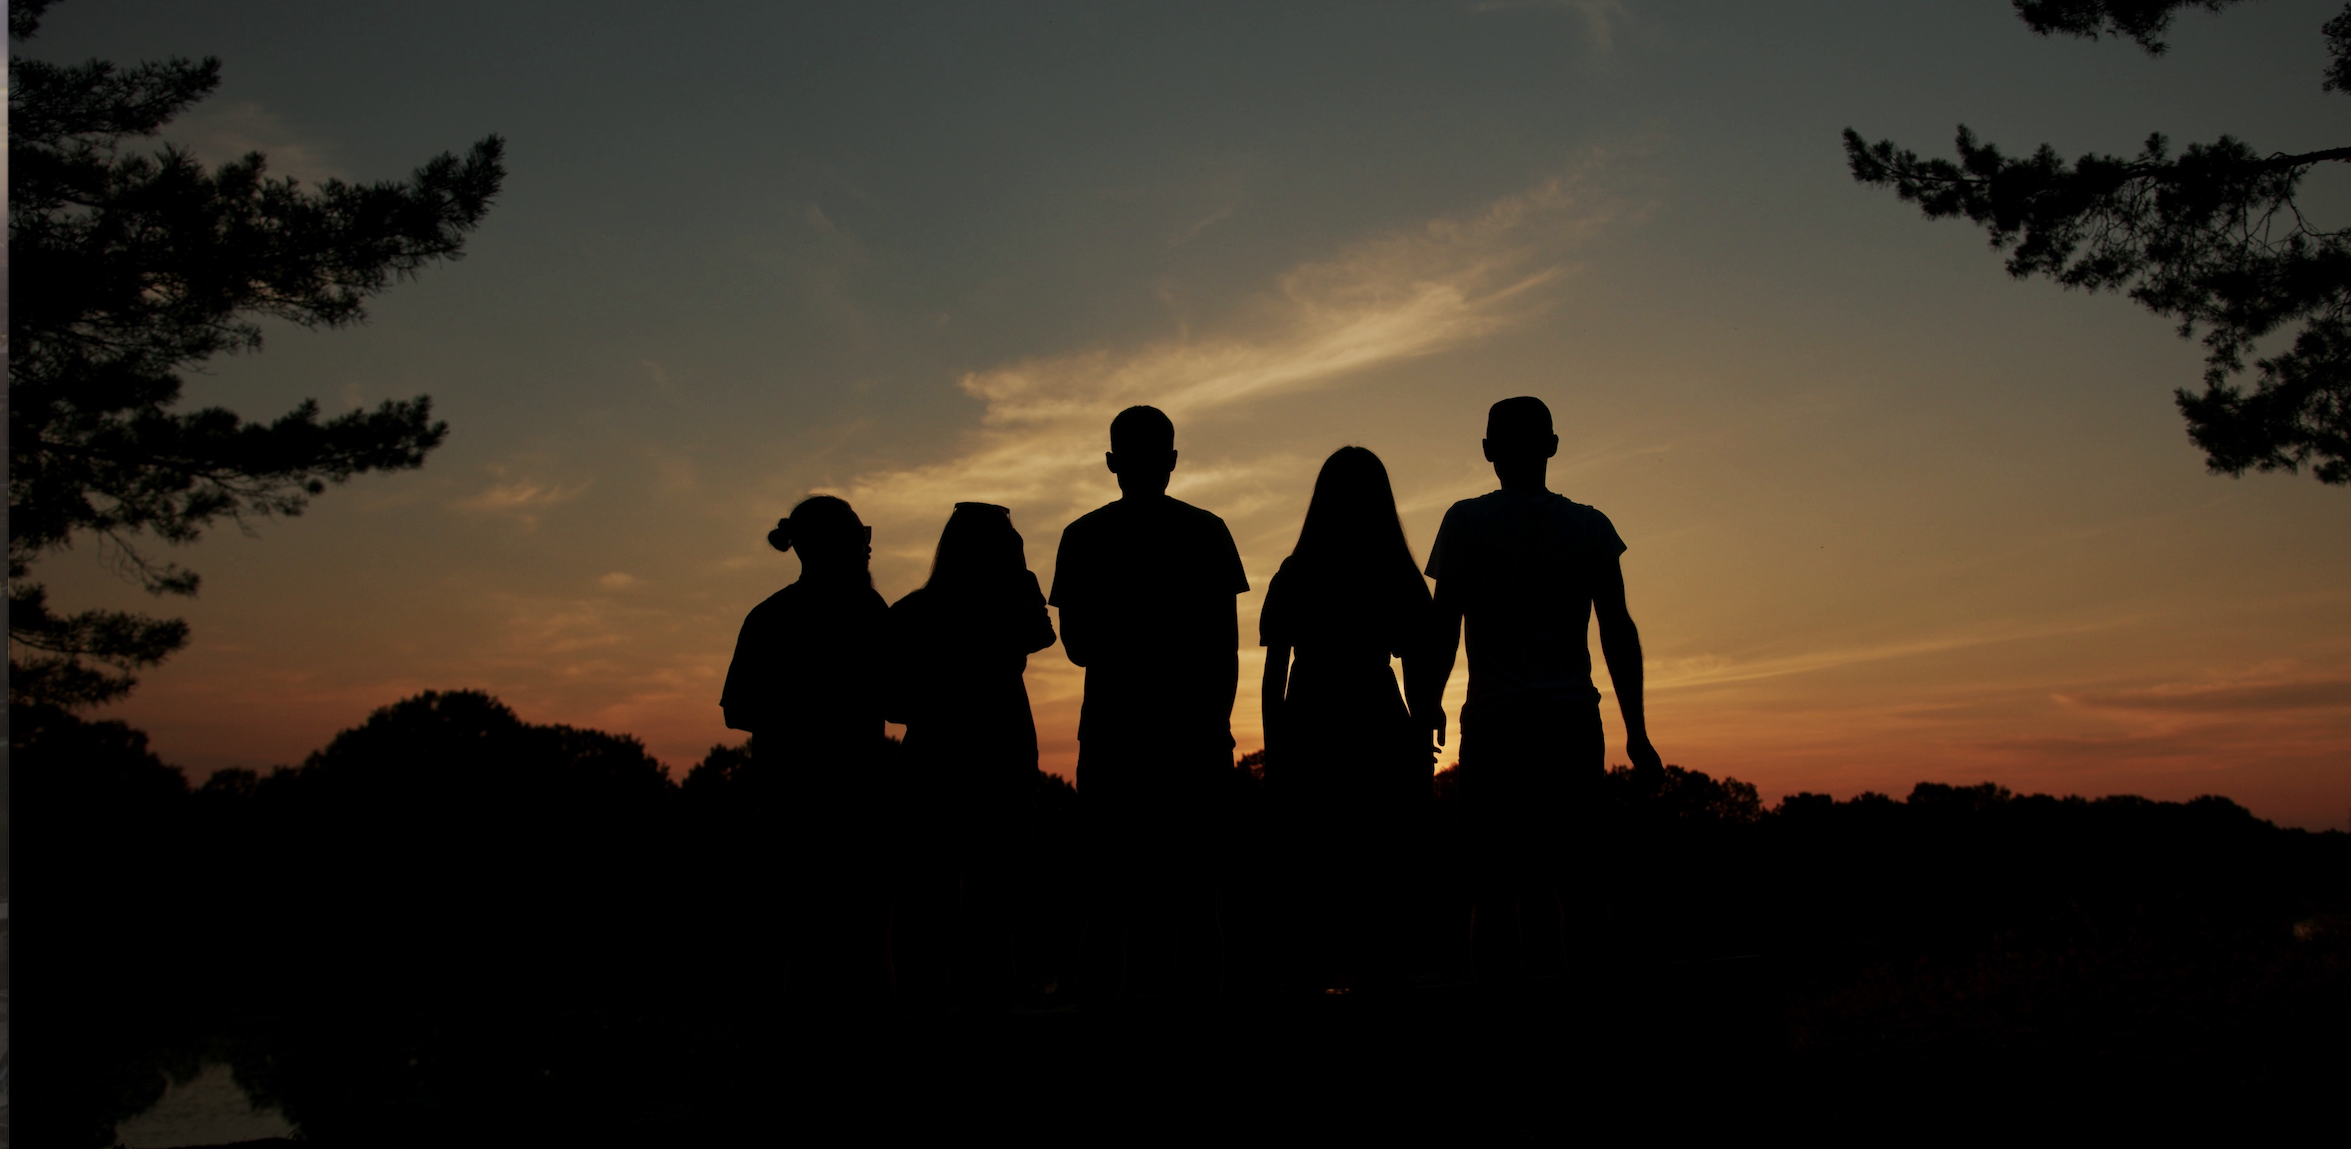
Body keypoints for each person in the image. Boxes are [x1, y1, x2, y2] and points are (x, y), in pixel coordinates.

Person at [1410, 396, 1664, 986]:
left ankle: (1504, 1024)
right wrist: (1638, 732)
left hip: (1498, 725)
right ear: (1553, 445)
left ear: (1487, 452)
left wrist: (1425, 707)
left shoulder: (1465, 521)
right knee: (1579, 881)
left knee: (1494, 889)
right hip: (1571, 720)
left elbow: (1444, 623)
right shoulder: (1591, 526)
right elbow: (1618, 632)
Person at [1050, 405, 1249, 1008]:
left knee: (1108, 902)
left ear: (1111, 462)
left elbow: (1079, 646)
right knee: (1196, 901)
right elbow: (1225, 647)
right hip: (1190, 739)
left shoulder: (1083, 536)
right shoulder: (1207, 531)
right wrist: (1217, 725)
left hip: (1114, 739)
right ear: (1172, 460)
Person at [1260, 446, 1439, 997]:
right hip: (1374, 718)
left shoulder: (1297, 571)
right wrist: (1418, 738)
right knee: (1379, 880)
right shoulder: (1397, 573)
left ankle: (1310, 987)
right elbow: (1417, 668)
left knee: (1311, 883)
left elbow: (1274, 674)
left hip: (1312, 719)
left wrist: (1276, 752)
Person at [720, 494, 893, 1012]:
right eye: (858, 538)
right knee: (847, 944)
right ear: (832, 546)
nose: (867, 549)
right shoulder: (867, 612)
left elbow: (738, 709)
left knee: (788, 940)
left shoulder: (770, 616)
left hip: (793, 801)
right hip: (835, 805)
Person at [886, 502, 1057, 1010]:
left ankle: (923, 1006)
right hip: (1000, 761)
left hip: (933, 762)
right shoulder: (1010, 609)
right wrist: (1022, 572)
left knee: (927, 898)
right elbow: (1044, 634)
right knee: (992, 903)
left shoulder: (910, 612)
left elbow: (891, 702)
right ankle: (991, 1010)